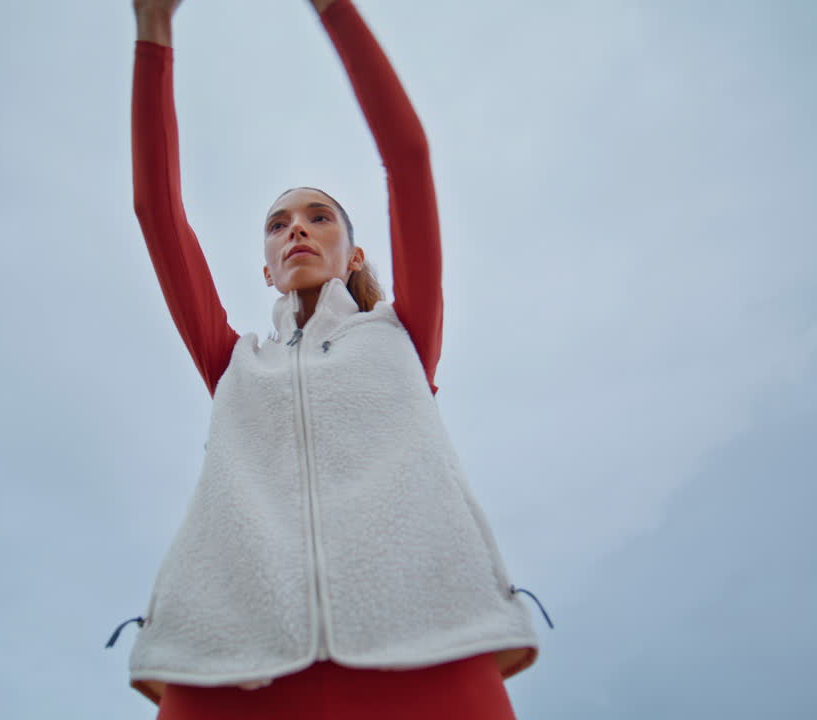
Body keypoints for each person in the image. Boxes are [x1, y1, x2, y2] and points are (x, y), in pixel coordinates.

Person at [116, 1, 550, 717]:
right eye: (278, 224)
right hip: (228, 661)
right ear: (264, 269)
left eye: (318, 217)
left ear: (354, 253)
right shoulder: (232, 362)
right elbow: (156, 211)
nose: (296, 231)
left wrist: (334, 10)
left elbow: (407, 159)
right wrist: (153, 30)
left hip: (427, 646)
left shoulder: (402, 336)